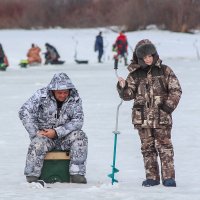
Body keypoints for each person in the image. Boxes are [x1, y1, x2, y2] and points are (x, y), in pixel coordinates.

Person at [117, 39, 182, 187]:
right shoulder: (134, 75)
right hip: (143, 119)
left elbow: (176, 90)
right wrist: (122, 86)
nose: (148, 59)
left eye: (150, 55)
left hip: (161, 117)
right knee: (147, 148)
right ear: (139, 58)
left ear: (154, 54)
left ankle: (168, 178)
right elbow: (128, 95)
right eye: (144, 57)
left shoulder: (165, 70)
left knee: (165, 147)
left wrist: (168, 107)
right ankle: (152, 178)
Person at [19, 72, 88, 184]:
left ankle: (77, 174)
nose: (62, 95)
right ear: (52, 91)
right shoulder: (41, 95)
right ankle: (32, 176)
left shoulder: (75, 99)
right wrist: (35, 132)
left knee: (80, 136)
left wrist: (56, 132)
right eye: (59, 92)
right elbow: (24, 111)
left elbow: (78, 121)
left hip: (65, 137)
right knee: (37, 143)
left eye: (65, 92)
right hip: (45, 137)